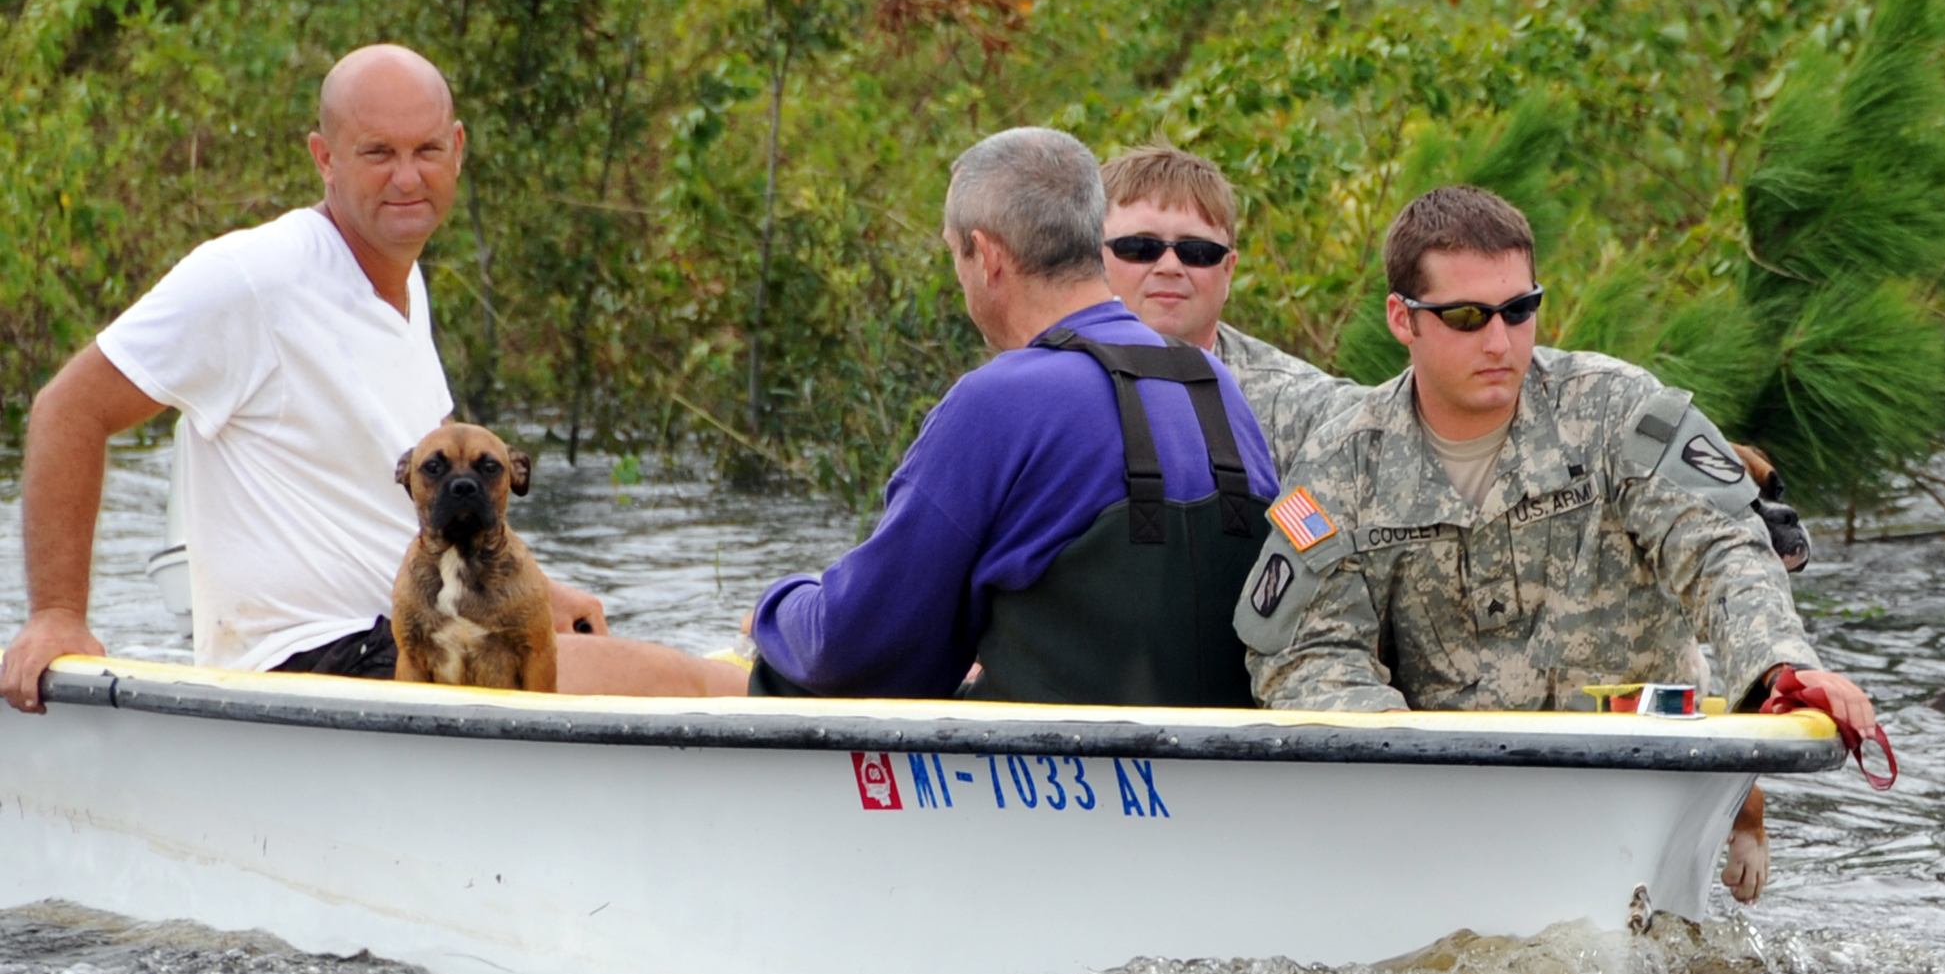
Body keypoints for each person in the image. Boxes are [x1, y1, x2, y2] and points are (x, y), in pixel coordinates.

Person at [2, 44, 741, 713]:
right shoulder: (254, 277)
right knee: (686, 681)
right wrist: (57, 615)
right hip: (315, 663)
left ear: (457, 150)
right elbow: (69, 407)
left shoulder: (405, 287)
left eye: (426, 150)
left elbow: (409, 502)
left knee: (652, 655)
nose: (408, 177)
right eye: (378, 152)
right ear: (325, 157)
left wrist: (528, 593)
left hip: (411, 627)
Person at [1234, 183, 1876, 734]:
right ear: (1403, 320)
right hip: (1443, 790)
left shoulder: (1615, 411)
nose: (1498, 340)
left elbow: (1721, 545)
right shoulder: (1342, 462)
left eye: (1519, 311)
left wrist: (1781, 666)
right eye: (1465, 316)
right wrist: (1401, 757)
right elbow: (1307, 649)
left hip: (1636, 764)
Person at [745, 127, 1279, 705]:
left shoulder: (996, 400)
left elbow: (856, 648)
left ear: (988, 255)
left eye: (957, 255)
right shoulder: (1214, 385)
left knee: (784, 670)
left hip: (1046, 771)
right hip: (1218, 759)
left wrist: (780, 605)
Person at [1099, 145, 1360, 474]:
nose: (1169, 266)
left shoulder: (1304, 409)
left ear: (1228, 271)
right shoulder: (1042, 393)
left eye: (1197, 251)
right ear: (1093, 259)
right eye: (1140, 247)